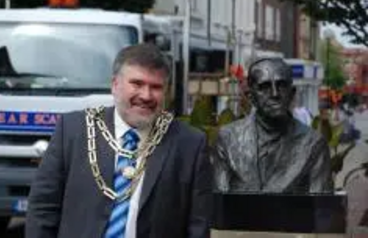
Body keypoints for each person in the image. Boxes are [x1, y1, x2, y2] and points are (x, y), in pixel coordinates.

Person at [26, 43, 212, 238]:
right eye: (137, 84)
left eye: (156, 87)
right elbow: (43, 209)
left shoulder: (189, 144)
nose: (146, 96)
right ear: (115, 84)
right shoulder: (73, 131)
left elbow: (198, 224)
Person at [211, 57, 333, 193]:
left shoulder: (314, 144)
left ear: (292, 94)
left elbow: (322, 208)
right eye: (264, 87)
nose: (275, 94)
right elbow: (218, 201)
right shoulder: (228, 138)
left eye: (281, 85)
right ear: (251, 97)